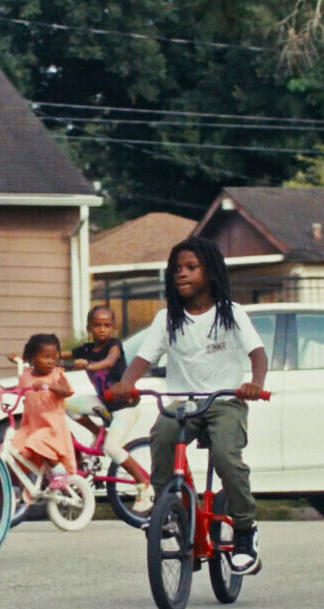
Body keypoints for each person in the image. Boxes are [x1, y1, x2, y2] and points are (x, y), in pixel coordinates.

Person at [108, 237, 268, 575]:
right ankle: (170, 511)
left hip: (225, 401)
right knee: (162, 437)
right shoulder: (167, 318)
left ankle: (245, 529)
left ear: (210, 272)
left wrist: (255, 382)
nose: (181, 273)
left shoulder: (230, 313)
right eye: (176, 268)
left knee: (226, 455)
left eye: (191, 267)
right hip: (183, 402)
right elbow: (142, 359)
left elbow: (257, 354)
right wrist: (126, 383)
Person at [68, 305, 150, 510]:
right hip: (105, 403)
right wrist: (33, 357)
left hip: (125, 408)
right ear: (89, 328)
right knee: (68, 405)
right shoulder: (87, 349)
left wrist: (88, 365)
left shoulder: (114, 346)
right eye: (97, 325)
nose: (102, 329)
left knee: (111, 448)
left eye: (107, 325)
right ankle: (99, 432)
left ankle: (143, 483)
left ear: (113, 328)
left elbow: (108, 362)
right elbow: (59, 354)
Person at [9, 333, 78, 494]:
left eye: (54, 357)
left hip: (51, 428)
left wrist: (49, 386)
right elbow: (18, 390)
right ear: (32, 358)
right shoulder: (26, 376)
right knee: (14, 448)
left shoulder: (56, 376)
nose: (51, 361)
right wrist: (2, 390)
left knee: (38, 441)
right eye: (46, 357)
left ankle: (59, 471)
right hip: (30, 427)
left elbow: (67, 391)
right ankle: (16, 485)